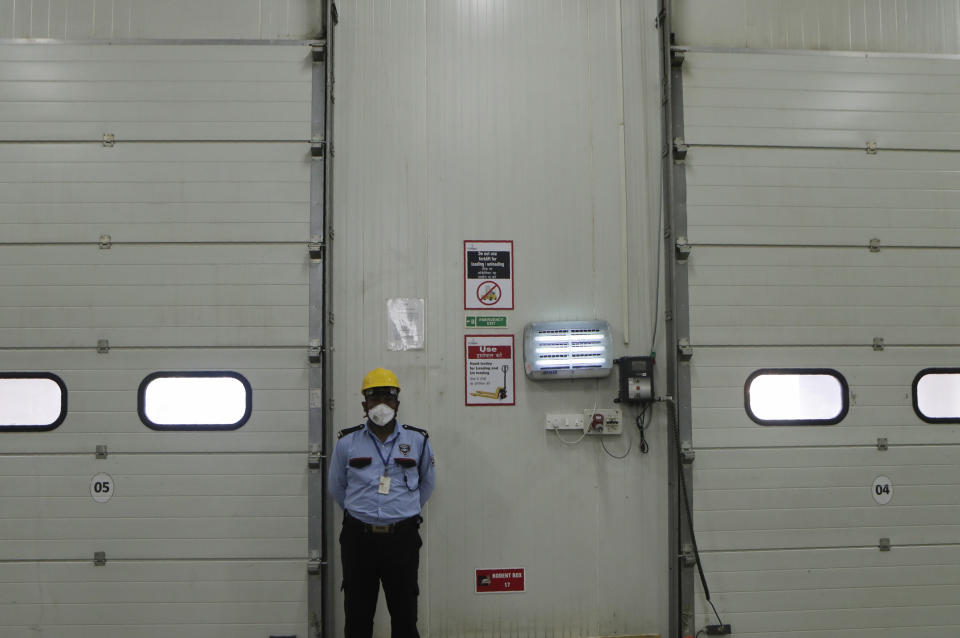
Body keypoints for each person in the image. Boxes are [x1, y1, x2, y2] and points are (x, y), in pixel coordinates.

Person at [328, 367, 436, 638]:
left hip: (402, 540)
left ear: (397, 404)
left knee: (404, 615)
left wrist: (402, 512)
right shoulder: (347, 442)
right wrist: (360, 514)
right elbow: (336, 486)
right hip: (358, 540)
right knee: (357, 616)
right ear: (364, 404)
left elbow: (427, 484)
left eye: (388, 399)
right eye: (374, 399)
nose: (381, 406)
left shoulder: (417, 440)